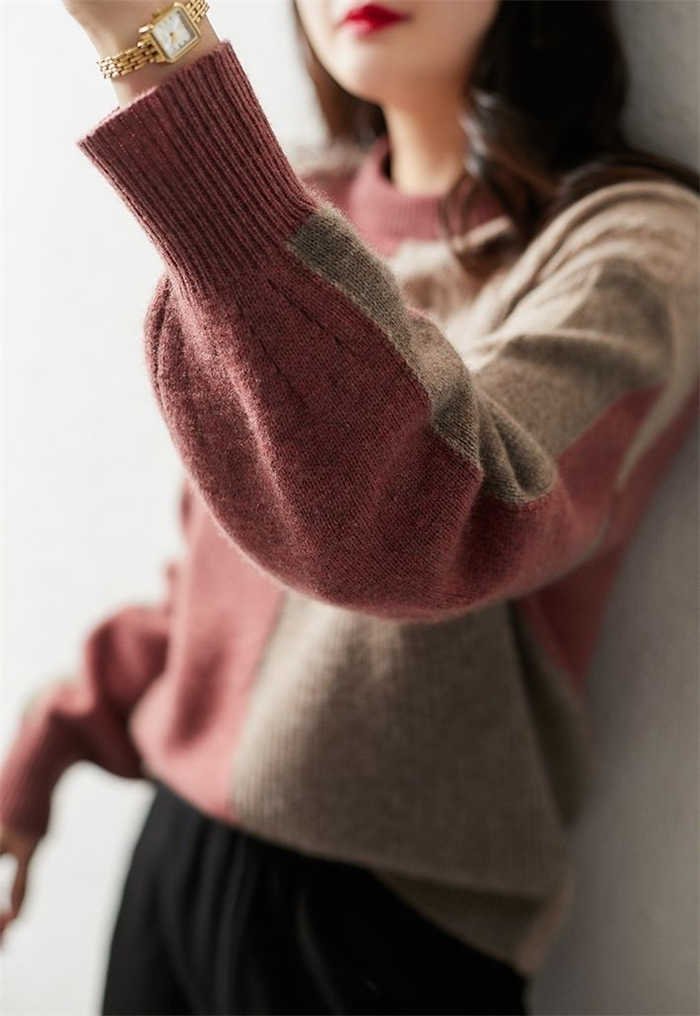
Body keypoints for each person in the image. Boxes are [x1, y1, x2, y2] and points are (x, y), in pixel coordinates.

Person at [0, 1, 698, 1013]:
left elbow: (426, 524)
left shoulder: (634, 249)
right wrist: (52, 736)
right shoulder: (296, 205)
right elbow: (217, 591)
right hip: (173, 854)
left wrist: (152, 40)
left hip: (382, 924)